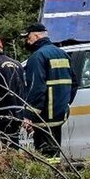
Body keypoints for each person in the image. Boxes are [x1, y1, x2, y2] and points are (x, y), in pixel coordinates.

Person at [22, 23, 79, 162]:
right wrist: (65, 103)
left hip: (44, 116)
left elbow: (36, 88)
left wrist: (29, 114)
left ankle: (49, 173)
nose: (27, 41)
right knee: (54, 153)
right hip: (59, 114)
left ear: (36, 36)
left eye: (28, 38)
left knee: (45, 154)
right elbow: (74, 83)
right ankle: (55, 173)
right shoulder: (62, 54)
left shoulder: (37, 57)